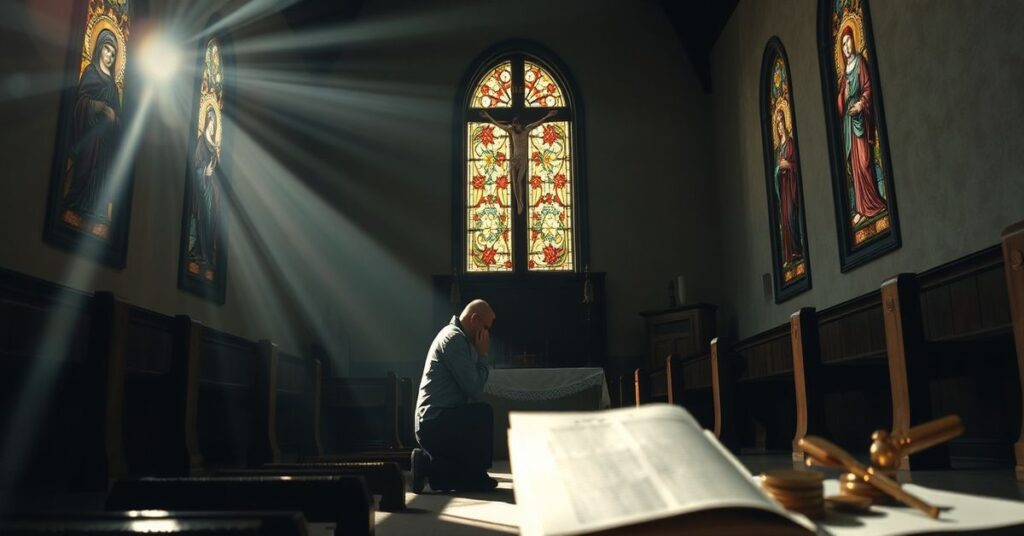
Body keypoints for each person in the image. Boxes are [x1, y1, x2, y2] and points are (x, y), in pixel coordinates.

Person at [411, 299, 497, 493]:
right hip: (434, 422)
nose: (487, 333)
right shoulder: (454, 339)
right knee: (483, 413)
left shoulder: (459, 338)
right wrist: (483, 356)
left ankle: (428, 467)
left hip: (439, 420)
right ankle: (477, 475)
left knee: (451, 479)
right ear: (475, 319)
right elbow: (474, 390)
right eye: (485, 327)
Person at [64, 29, 121, 222]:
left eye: (113, 54)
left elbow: (119, 117)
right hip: (90, 136)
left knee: (101, 174)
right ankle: (77, 202)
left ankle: (96, 210)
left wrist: (114, 117)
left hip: (105, 141)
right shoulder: (90, 72)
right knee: (86, 170)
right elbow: (79, 103)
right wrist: (96, 106)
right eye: (107, 50)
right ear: (98, 49)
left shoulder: (113, 86)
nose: (110, 56)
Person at [836, 26, 886, 227]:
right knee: (855, 166)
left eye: (848, 42)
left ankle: (872, 203)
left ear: (854, 42)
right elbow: (840, 104)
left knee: (865, 161)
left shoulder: (860, 64)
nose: (847, 47)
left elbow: (868, 89)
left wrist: (860, 105)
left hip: (861, 121)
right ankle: (860, 208)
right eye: (843, 44)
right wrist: (845, 96)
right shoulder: (842, 77)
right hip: (849, 125)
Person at [480, 110, 556, 215]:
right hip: (515, 159)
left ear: (521, 124)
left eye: (518, 125)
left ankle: (521, 203)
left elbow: (538, 122)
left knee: (519, 180)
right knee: (514, 181)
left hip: (523, 159)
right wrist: (488, 116)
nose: (517, 127)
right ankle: (518, 201)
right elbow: (498, 125)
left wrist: (548, 115)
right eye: (515, 125)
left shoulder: (527, 129)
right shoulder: (512, 130)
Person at [189, 107, 220, 266]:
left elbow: (217, 168)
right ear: (207, 122)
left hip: (212, 190)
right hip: (203, 189)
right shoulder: (201, 141)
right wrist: (204, 172)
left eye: (215, 124)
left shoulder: (213, 145)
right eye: (211, 122)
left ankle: (205, 253)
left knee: (211, 219)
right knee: (204, 219)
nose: (213, 126)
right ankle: (203, 254)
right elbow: (196, 166)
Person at [773, 111, 803, 264]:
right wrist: (779, 169)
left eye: (781, 124)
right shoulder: (778, 150)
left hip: (791, 186)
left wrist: (788, 165)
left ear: (785, 123)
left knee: (792, 216)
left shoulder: (790, 143)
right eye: (777, 127)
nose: (780, 128)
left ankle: (797, 249)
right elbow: (776, 170)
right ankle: (789, 254)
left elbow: (797, 165)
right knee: (784, 219)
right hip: (783, 188)